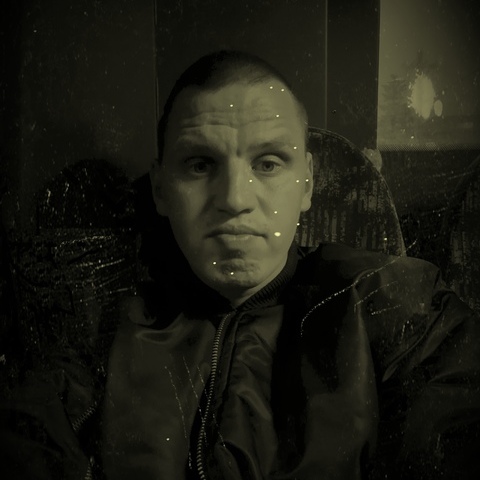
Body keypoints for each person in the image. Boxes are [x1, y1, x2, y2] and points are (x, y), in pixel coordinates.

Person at [1, 50, 480, 480]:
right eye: (200, 165)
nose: (234, 199)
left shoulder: (393, 302)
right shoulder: (100, 333)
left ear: (307, 184)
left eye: (268, 164)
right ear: (161, 190)